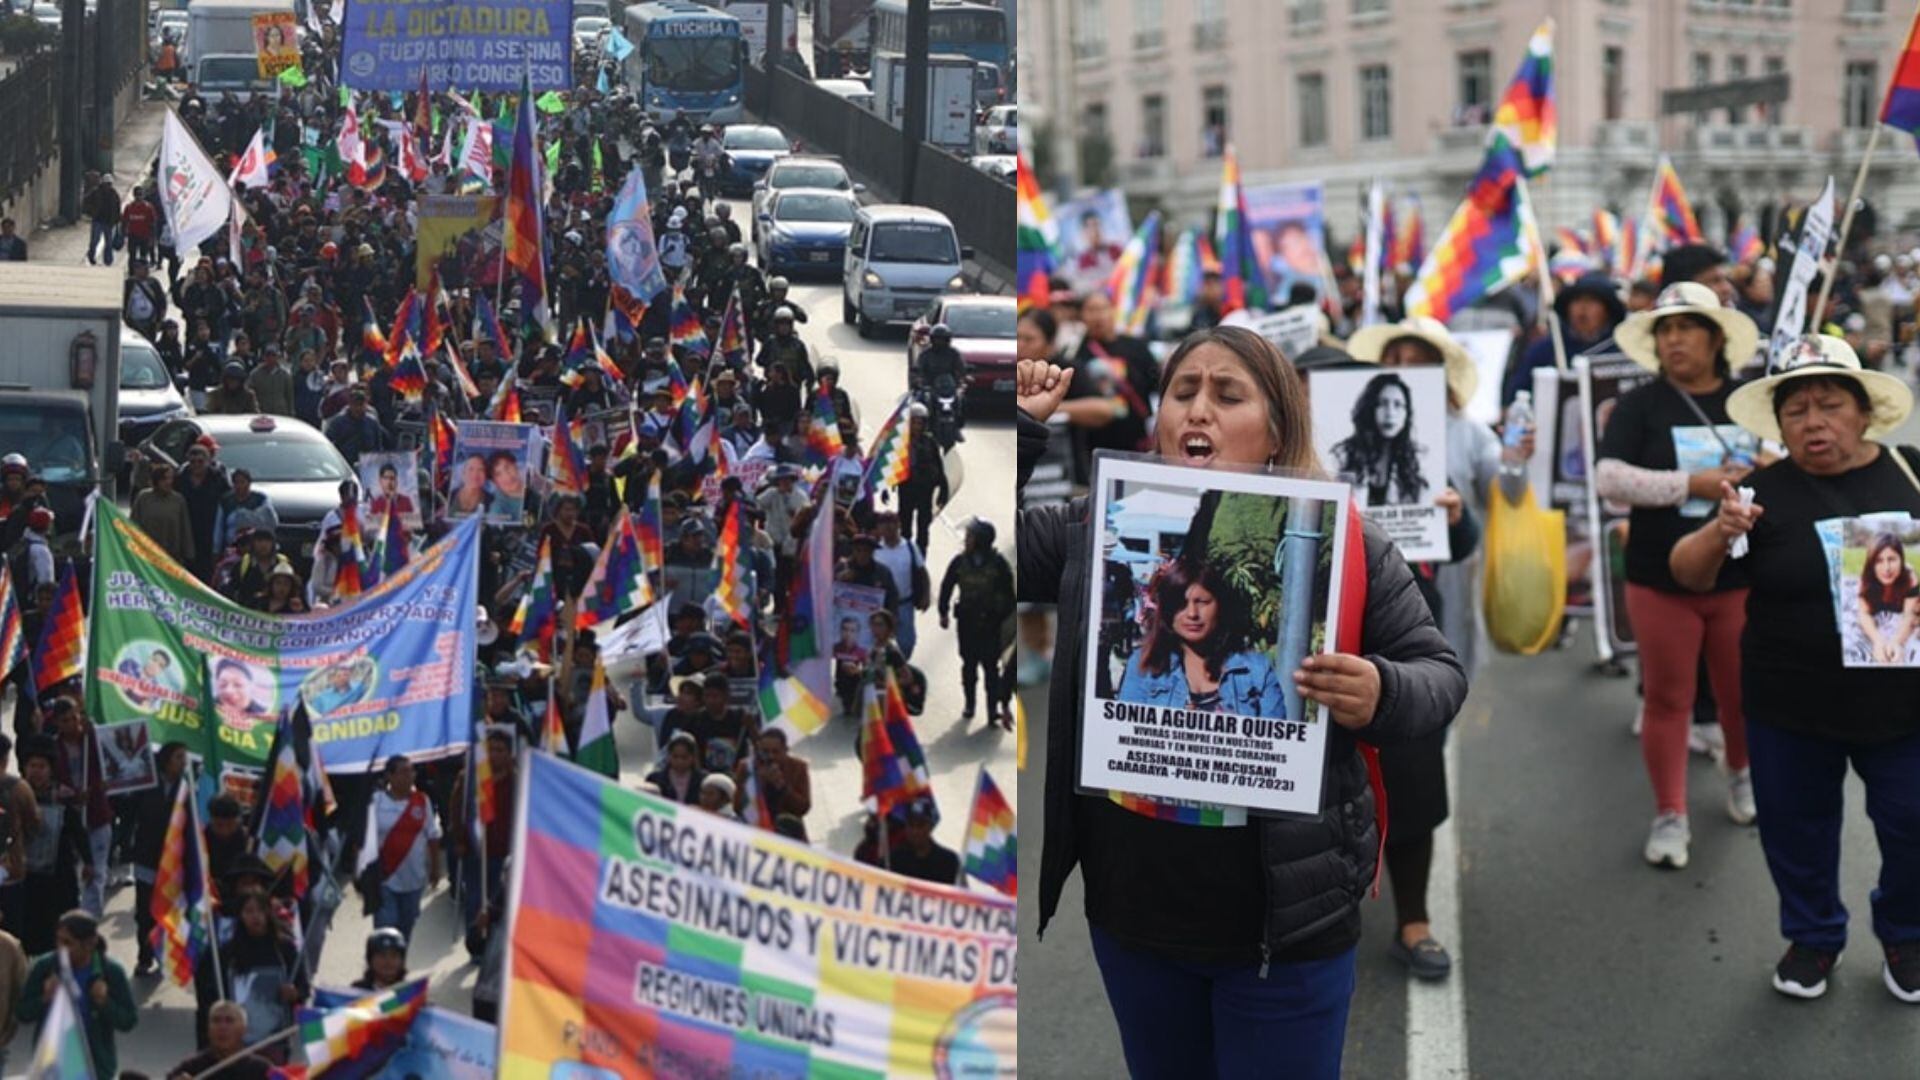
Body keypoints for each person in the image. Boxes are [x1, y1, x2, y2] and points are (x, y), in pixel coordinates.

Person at [1016, 327, 1467, 1078]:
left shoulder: (1348, 540)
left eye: (1228, 396)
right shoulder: (1093, 522)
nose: (1199, 411)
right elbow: (975, 551)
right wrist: (1021, 431)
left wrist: (1380, 690)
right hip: (1135, 918)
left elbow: (1439, 674)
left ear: (1276, 431)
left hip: (1285, 932)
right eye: (1182, 392)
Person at [1671, 333, 1920, 1002]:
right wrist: (1720, 531)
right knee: (1796, 831)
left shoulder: (1911, 472)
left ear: (1863, 412)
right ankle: (1813, 938)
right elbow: (1689, 575)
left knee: (1913, 825)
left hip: (1904, 708)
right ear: (1779, 424)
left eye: (1829, 405)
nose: (1813, 423)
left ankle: (1905, 932)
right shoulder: (1755, 494)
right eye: (1797, 410)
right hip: (1789, 706)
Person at [1596, 282, 1761, 868]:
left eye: (1686, 327)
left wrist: (1769, 467)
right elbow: (1608, 478)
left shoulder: (1750, 401)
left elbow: (1790, 470)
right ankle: (1671, 813)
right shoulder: (1639, 405)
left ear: (1716, 338)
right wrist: (1688, 485)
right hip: (1657, 578)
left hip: (1740, 579)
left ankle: (1741, 775)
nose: (1673, 340)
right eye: (1664, 330)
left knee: (1742, 693)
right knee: (1668, 699)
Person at [1114, 555, 1284, 718]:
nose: (1192, 614)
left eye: (1202, 602)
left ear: (1220, 606)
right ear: (1167, 610)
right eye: (1181, 604)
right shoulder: (1144, 666)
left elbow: (1276, 744)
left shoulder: (1257, 671)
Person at [17, 911, 138, 1078]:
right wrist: (44, 998)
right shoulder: (45, 967)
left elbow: (128, 1021)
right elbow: (22, 1013)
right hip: (53, 1065)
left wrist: (104, 1002)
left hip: (94, 1067)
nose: (61, 949)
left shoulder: (110, 972)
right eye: (58, 941)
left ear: (90, 944)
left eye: (68, 943)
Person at [940, 518, 1015, 729]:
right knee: (968, 665)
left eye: (971, 536)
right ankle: (969, 704)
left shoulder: (998, 565)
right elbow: (947, 585)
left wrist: (996, 616)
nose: (967, 540)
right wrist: (943, 611)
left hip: (990, 627)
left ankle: (993, 710)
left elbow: (1010, 598)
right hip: (966, 624)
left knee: (991, 669)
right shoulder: (960, 562)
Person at [366, 755, 442, 949]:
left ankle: (395, 970)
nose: (410, 776)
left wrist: (436, 868)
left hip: (414, 879)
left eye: (412, 771)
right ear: (389, 776)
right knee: (385, 930)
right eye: (403, 772)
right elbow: (364, 839)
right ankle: (382, 973)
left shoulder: (421, 801)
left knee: (404, 932)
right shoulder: (377, 801)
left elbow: (432, 836)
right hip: (384, 878)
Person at [1329, 370, 1430, 506]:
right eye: (1382, 404)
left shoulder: (1418, 460)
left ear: (1407, 414)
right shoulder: (1342, 455)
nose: (1390, 413)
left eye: (1398, 405)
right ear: (1370, 408)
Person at [1851, 532, 1920, 665]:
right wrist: (1878, 641)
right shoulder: (1866, 579)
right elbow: (1863, 614)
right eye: (1879, 561)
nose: (1886, 568)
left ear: (1901, 560)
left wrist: (1896, 642)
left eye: (1892, 559)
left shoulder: (1909, 577)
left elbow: (1908, 615)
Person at [165, 1000, 275, 1079]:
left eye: (229, 1021)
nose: (222, 1027)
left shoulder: (261, 1070)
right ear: (208, 1029)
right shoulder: (192, 1067)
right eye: (216, 1021)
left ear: (243, 1030)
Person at [734, 728, 811, 821]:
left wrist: (782, 786)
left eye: (775, 752)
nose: (771, 756)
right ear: (758, 750)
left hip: (786, 826)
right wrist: (759, 783)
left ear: (785, 750)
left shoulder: (798, 767)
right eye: (765, 751)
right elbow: (737, 807)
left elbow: (803, 808)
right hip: (755, 823)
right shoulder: (746, 767)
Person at [646, 731, 706, 805]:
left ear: (693, 757)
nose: (679, 762)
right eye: (675, 757)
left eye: (684, 757)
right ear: (668, 756)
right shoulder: (655, 779)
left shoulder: (703, 780)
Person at [352, 927, 410, 992]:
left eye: (394, 956)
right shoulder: (357, 991)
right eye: (382, 956)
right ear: (370, 959)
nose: (388, 962)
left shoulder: (411, 993)